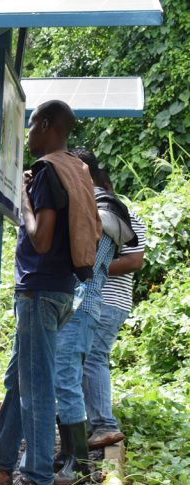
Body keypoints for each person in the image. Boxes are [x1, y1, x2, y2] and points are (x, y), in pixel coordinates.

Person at [0, 100, 101, 485]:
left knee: (35, 388)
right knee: (19, 379)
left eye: (33, 125)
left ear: (48, 125)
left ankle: (37, 481)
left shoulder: (49, 171)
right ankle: (1, 465)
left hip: (39, 289)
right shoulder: (75, 167)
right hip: (61, 287)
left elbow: (40, 237)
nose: (29, 133)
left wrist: (22, 197)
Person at [51, 148, 121, 485]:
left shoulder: (103, 208)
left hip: (81, 306)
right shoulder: (96, 206)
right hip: (78, 306)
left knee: (66, 380)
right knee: (64, 378)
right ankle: (69, 454)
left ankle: (77, 462)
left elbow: (87, 263)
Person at [83, 177, 146, 450]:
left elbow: (135, 261)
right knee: (87, 358)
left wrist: (92, 267)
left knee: (92, 358)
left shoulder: (122, 215)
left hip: (108, 300)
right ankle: (91, 424)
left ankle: (104, 425)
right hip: (104, 300)